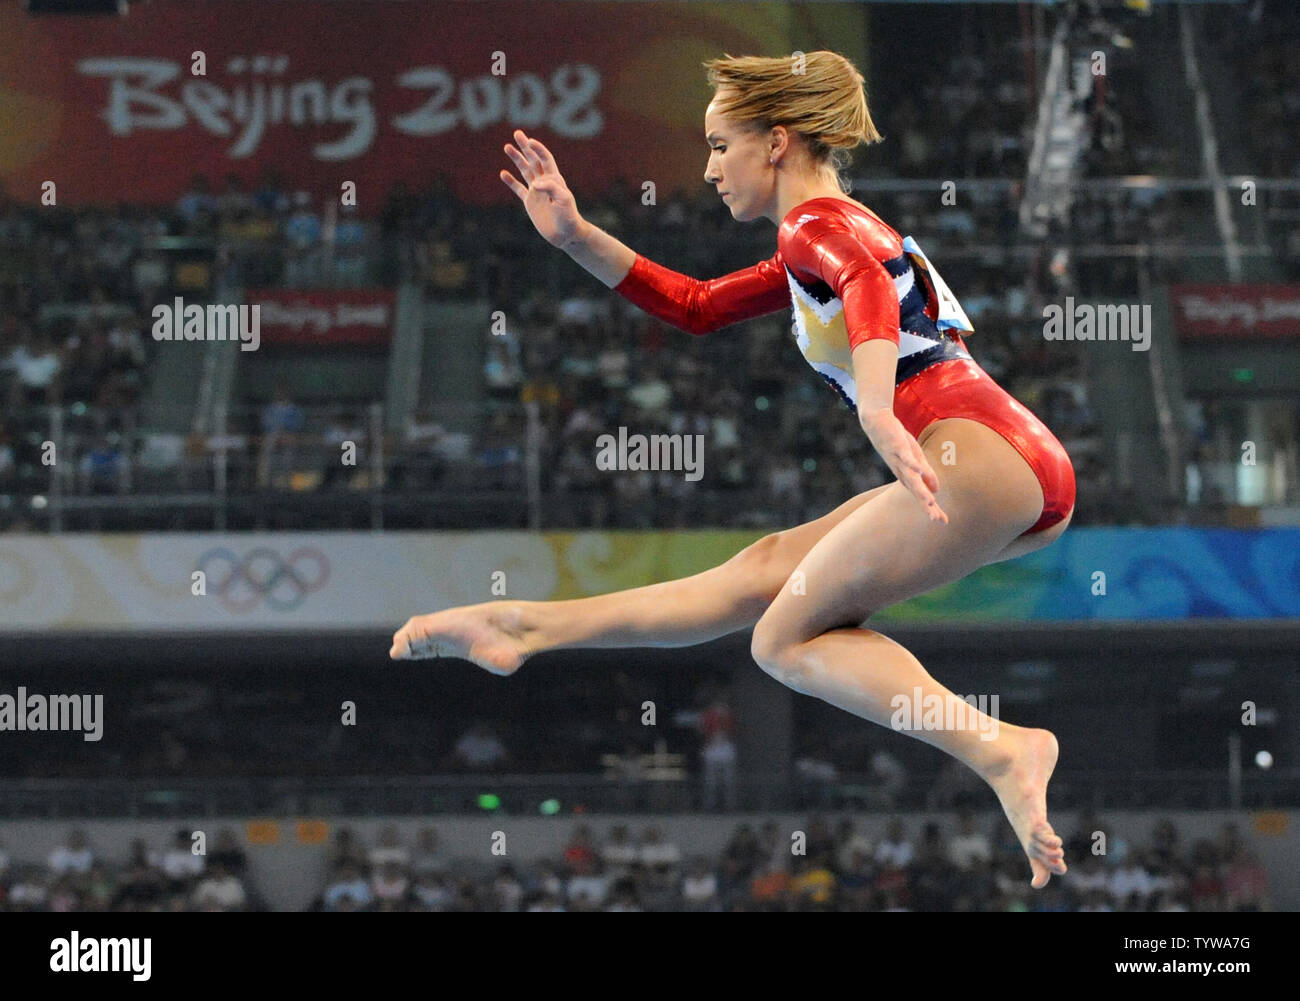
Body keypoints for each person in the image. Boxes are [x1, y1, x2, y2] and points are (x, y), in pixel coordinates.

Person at [391, 50, 1072, 888]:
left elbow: (865, 284)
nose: (708, 169)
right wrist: (572, 235)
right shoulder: (812, 241)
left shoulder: (818, 222)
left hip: (974, 452)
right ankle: (524, 628)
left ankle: (1002, 747)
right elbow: (696, 306)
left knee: (780, 642)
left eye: (719, 146)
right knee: (760, 574)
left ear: (776, 142)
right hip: (998, 460)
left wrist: (873, 405)